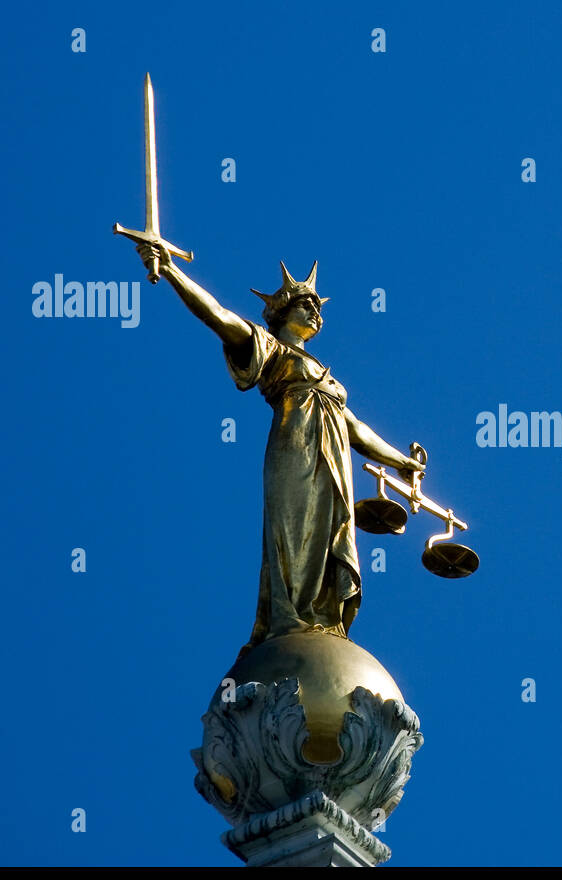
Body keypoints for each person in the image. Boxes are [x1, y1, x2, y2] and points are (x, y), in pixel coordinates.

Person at [136, 242, 424, 657]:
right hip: (296, 449)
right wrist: (171, 271)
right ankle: (290, 618)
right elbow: (217, 316)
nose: (315, 313)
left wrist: (402, 463)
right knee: (294, 534)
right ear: (283, 313)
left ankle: (323, 618)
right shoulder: (272, 350)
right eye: (306, 306)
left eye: (317, 308)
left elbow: (356, 429)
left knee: (329, 537)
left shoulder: (327, 377)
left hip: (334, 462)